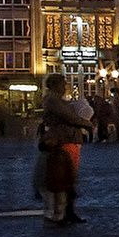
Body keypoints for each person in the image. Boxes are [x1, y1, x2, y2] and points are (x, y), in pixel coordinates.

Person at [37, 74, 94, 226]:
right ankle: (61, 213)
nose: (65, 87)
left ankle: (67, 211)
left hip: (68, 138)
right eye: (63, 84)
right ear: (55, 85)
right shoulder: (53, 100)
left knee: (69, 177)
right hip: (64, 139)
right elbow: (69, 117)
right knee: (63, 176)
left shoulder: (57, 100)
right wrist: (86, 123)